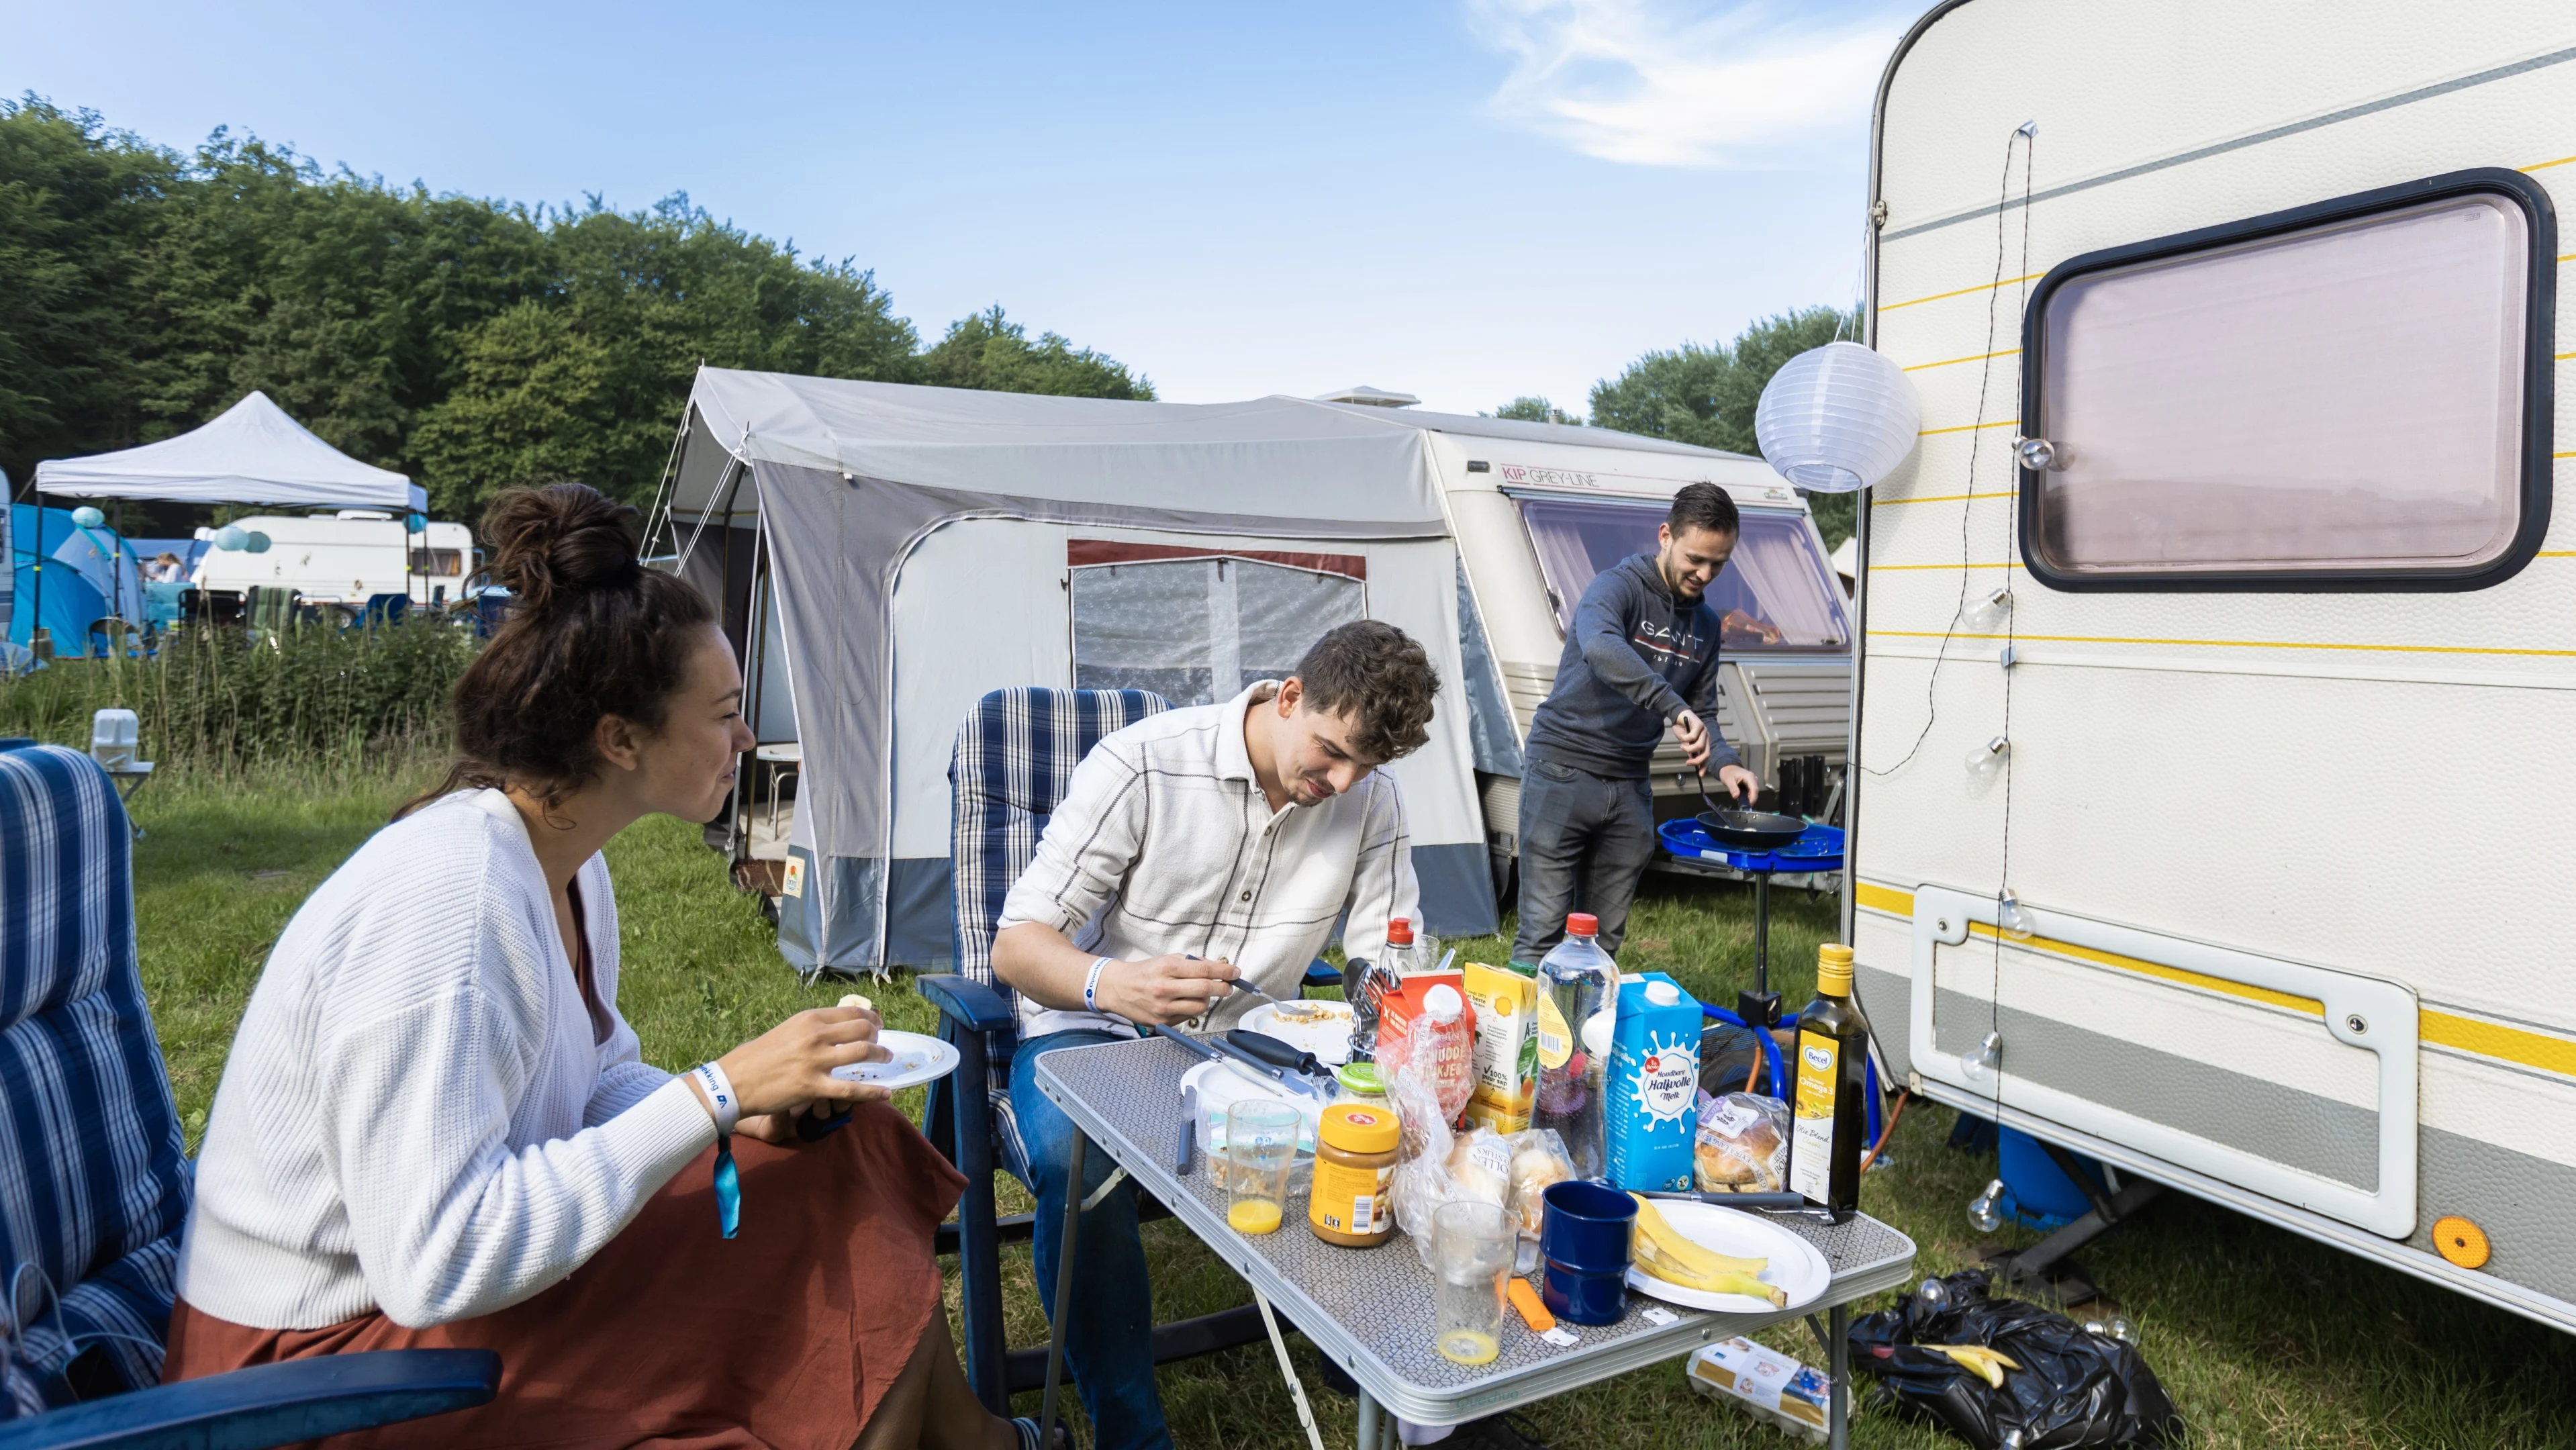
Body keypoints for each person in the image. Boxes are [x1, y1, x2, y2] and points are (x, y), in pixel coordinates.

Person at [169, 484, 1034, 1450]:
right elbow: (435, 1262)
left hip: (408, 1319)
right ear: (620, 738)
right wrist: (715, 1093)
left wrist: (750, 1111)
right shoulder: (448, 909)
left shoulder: (566, 864)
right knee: (808, 1226)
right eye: (725, 714)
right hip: (313, 1374)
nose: (746, 740)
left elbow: (596, 1080)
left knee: (843, 1148)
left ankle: (975, 1443)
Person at [990, 621, 1439, 1450]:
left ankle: (1394, 1382)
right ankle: (1133, 1434)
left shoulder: (1369, 796)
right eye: (1332, 753)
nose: (1343, 783)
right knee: (1074, 1157)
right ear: (1290, 696)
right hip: (1098, 1027)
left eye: (1367, 765)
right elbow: (1016, 945)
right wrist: (1112, 982)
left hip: (1255, 1050)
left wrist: (1398, 1015)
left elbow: (1387, 957)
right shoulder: (1144, 765)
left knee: (1407, 1128)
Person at [1514, 481, 1760, 963]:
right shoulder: (1615, 587)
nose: (1705, 574)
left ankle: (1585, 1014)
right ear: (1666, 535)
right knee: (1541, 935)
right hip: (1562, 770)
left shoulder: (1707, 626)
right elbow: (1602, 648)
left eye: (1719, 564)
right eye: (1696, 559)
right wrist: (1671, 705)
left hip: (1629, 784)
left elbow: (1702, 711)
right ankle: (1521, 1013)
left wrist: (1727, 764)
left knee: (1600, 944)